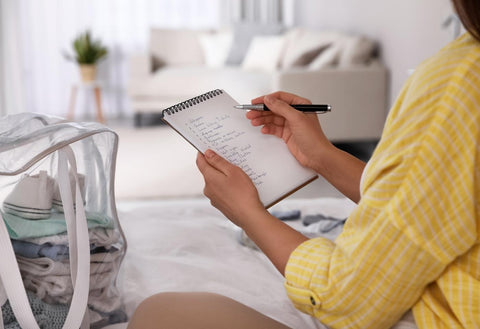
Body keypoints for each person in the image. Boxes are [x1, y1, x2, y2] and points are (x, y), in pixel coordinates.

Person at [128, 0, 480, 328]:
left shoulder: (459, 81)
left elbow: (346, 297)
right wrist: (322, 156)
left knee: (158, 312)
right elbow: (430, 202)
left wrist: (248, 215)